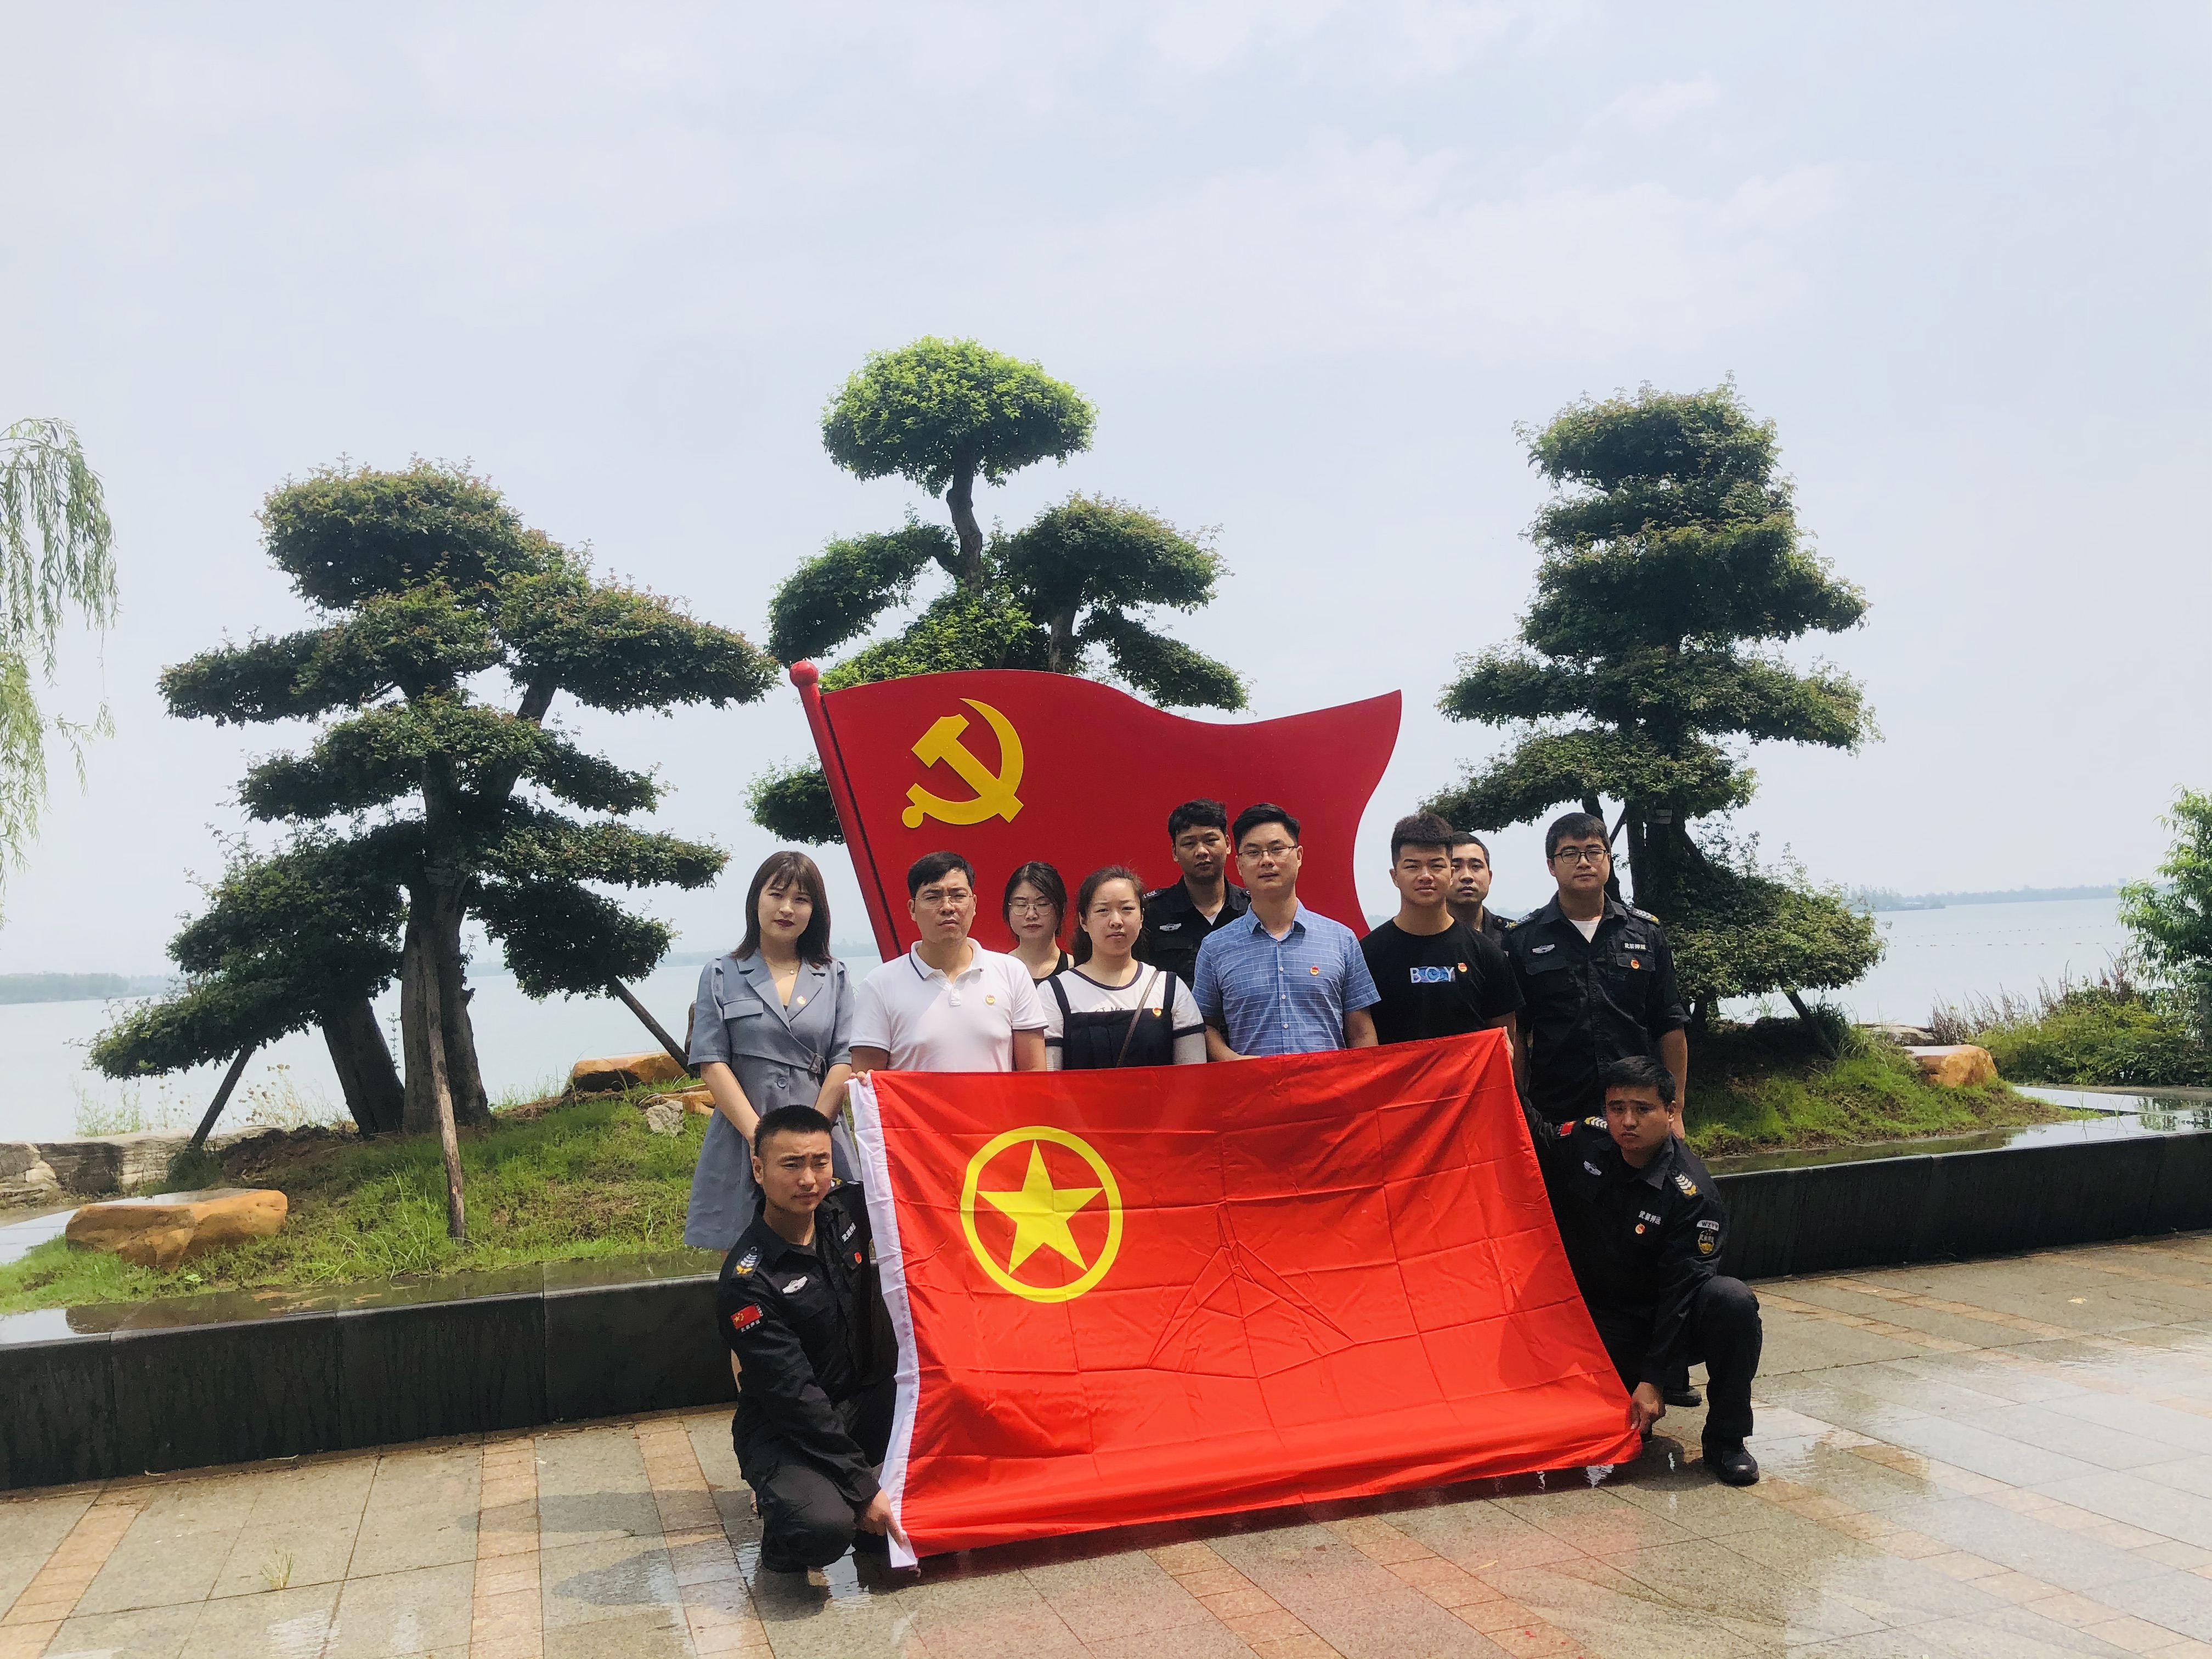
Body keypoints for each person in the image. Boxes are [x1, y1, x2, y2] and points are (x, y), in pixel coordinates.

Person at [1520, 1056, 1761, 1486]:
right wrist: (1501, 1070)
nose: (1628, 1122)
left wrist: (1654, 1379)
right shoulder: (1590, 1139)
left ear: (1671, 1111)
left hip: (1669, 1321)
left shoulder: (1692, 1195)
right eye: (1617, 1108)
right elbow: (1536, 1136)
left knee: (1733, 1302)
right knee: (1589, 1431)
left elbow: (1682, 1295)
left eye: (1643, 1110)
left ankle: (1727, 1441)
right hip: (1603, 1319)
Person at [716, 1105, 904, 1571]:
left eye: (820, 1162)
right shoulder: (748, 1282)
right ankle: (784, 1526)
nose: (808, 1180)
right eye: (791, 1164)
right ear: (758, 1170)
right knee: (822, 1529)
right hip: (786, 1429)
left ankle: (866, 1516)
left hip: (862, 1402)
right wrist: (863, 1489)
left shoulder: (843, 1211)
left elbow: (914, 1178)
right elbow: (794, 1397)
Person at [685, 851, 856, 1251]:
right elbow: (711, 1062)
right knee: (746, 1263)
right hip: (742, 1135)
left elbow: (844, 1060)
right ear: (756, 900)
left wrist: (811, 1137)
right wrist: (760, 1138)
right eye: (776, 895)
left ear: (815, 910)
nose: (787, 908)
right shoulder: (721, 974)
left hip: (820, 1135)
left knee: (833, 1250)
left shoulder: (834, 976)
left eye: (801, 899)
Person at [1504, 812, 1689, 1130]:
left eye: (1593, 852)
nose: (1584, 862)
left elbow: (1669, 1022)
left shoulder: (1645, 933)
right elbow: (1516, 1032)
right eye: (1570, 854)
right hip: (1555, 1111)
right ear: (1551, 866)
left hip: (1636, 1110)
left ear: (1608, 859)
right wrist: (1517, 1111)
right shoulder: (1524, 939)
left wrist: (1677, 1109)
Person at [1193, 803, 1380, 1059]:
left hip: (1327, 1083)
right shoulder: (1215, 947)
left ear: (1299, 856)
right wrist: (1232, 1061)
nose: (1267, 861)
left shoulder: (1341, 940)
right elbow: (1204, 1025)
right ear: (1239, 864)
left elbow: (1361, 1032)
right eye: (1253, 852)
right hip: (1253, 1084)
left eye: (1277, 849)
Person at [851, 851, 1048, 1075]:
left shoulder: (1012, 973)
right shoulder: (880, 984)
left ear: (974, 904)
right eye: (933, 897)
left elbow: (1034, 1073)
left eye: (958, 896)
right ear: (912, 909)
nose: (947, 907)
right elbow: (868, 1083)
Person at [1360, 813, 1523, 1047]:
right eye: (1412, 866)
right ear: (1395, 876)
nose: (1426, 876)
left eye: (1437, 866)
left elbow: (1504, 1042)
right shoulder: (1367, 955)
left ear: (1450, 873)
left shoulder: (1487, 954)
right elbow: (1361, 1040)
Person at [1043, 866, 1208, 1069]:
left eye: (1127, 909)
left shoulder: (1170, 989)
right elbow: (1048, 1079)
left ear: (1142, 917)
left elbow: (1192, 1075)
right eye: (1103, 910)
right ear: (1083, 920)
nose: (1116, 921)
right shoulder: (1055, 992)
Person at [1137, 798, 1250, 986]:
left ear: (1228, 844)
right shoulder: (1151, 913)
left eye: (1210, 840)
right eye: (1189, 843)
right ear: (1175, 852)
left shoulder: (1253, 909)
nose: (1202, 851)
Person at [1002, 861, 1073, 981]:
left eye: (1042, 904)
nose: (1031, 915)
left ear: (1062, 909)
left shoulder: (1077, 970)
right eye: (1021, 904)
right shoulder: (997, 971)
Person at [1449, 830, 1511, 944]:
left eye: (1476, 866)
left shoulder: (1513, 936)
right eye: (1456, 866)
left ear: (1490, 877)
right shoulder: (1421, 935)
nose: (1467, 876)